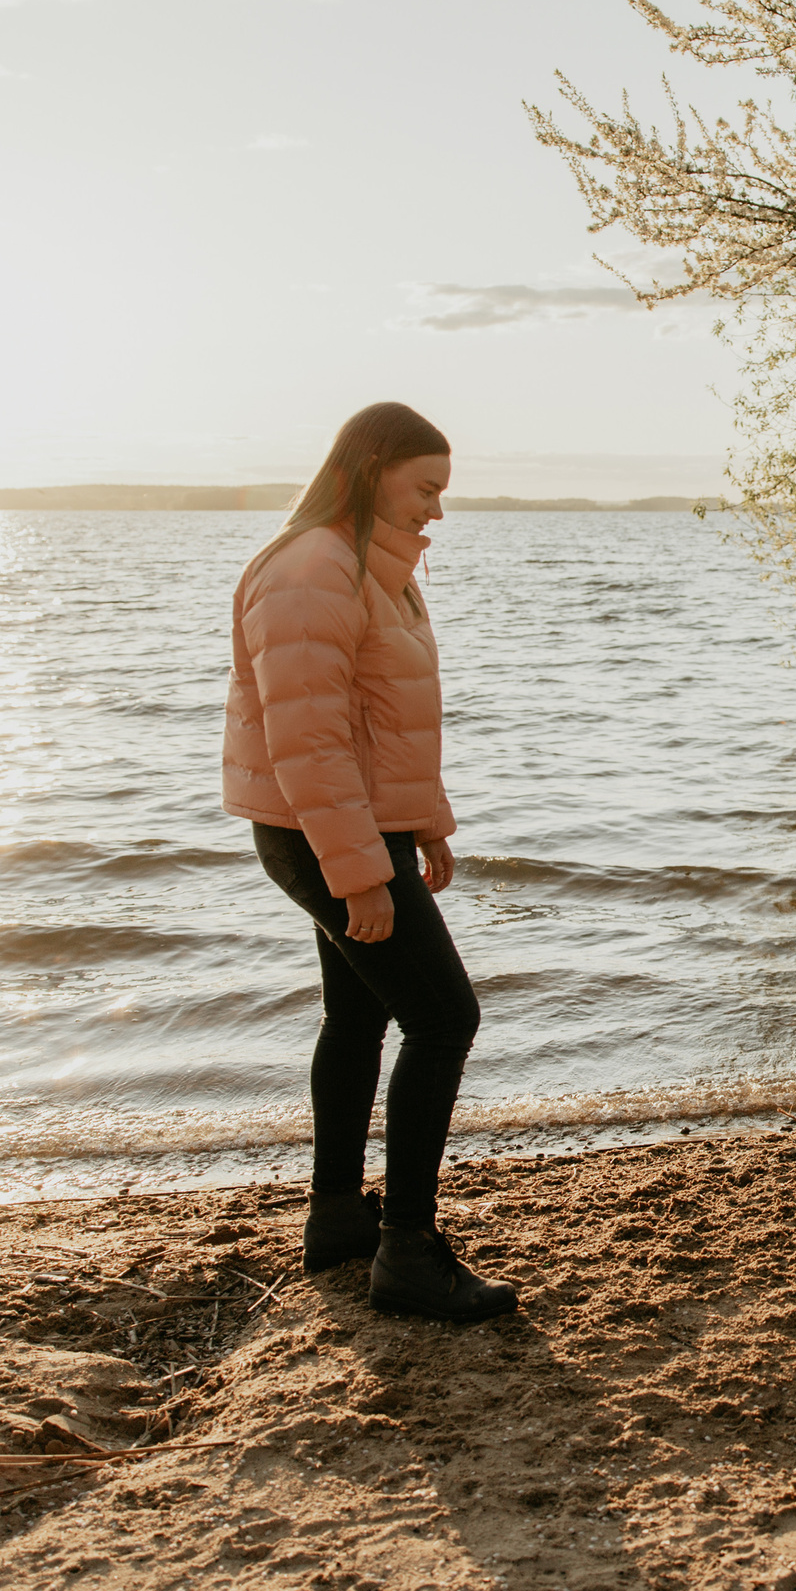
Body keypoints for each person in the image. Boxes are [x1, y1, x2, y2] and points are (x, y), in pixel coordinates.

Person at [221, 401, 516, 1322]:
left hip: (353, 825)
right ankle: (408, 1253)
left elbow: (385, 723)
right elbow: (305, 741)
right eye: (425, 487)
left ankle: (340, 1219)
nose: (436, 509)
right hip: (318, 831)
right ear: (375, 464)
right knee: (444, 1016)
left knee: (358, 1016)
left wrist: (424, 825)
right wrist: (358, 871)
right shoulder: (312, 569)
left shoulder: (377, 570)